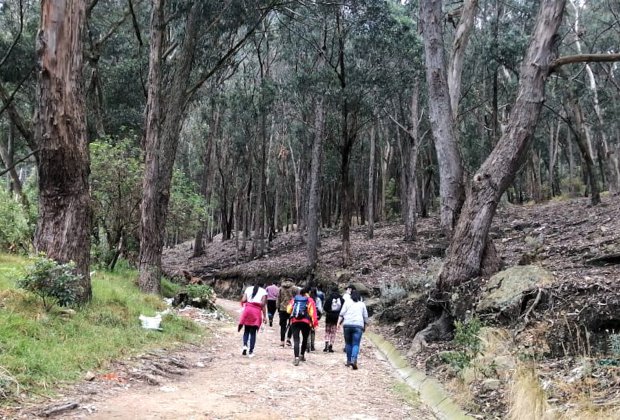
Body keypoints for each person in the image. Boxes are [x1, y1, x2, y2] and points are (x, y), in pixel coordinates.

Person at [287, 287, 319, 366]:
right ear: (307, 293)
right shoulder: (310, 300)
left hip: (295, 321)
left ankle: (296, 358)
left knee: (296, 340)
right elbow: (313, 313)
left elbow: (288, 310)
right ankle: (302, 355)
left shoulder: (295, 299)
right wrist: (315, 324)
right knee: (305, 339)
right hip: (306, 322)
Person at [338, 290, 368, 370]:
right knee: (356, 344)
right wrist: (365, 326)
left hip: (347, 325)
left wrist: (338, 323)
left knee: (348, 343)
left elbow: (341, 313)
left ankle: (348, 361)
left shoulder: (347, 302)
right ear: (359, 297)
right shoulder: (362, 304)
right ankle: (353, 360)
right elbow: (365, 317)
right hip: (358, 325)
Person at [238, 283, 267, 357]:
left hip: (247, 310)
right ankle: (250, 351)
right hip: (256, 312)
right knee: (253, 333)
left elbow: (243, 300)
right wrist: (264, 316)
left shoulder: (248, 288)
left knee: (246, 330)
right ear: (263, 284)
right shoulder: (263, 291)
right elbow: (263, 304)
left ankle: (245, 346)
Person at [276, 278, 297, 347]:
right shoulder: (295, 288)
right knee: (291, 324)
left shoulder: (280, 288)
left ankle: (282, 342)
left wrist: (278, 307)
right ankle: (288, 339)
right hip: (291, 308)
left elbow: (278, 298)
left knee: (283, 326)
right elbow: (297, 298)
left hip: (282, 308)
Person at [323, 287, 343, 352]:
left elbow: (325, 307)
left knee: (327, 331)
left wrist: (328, 311)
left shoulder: (329, 298)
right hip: (336, 317)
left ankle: (326, 344)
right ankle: (331, 345)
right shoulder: (341, 299)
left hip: (329, 316)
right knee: (333, 332)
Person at [308, 286, 324, 351]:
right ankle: (312, 346)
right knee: (312, 331)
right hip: (315, 316)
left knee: (307, 331)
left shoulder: (308, 298)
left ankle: (307, 344)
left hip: (308, 316)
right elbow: (320, 309)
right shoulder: (318, 299)